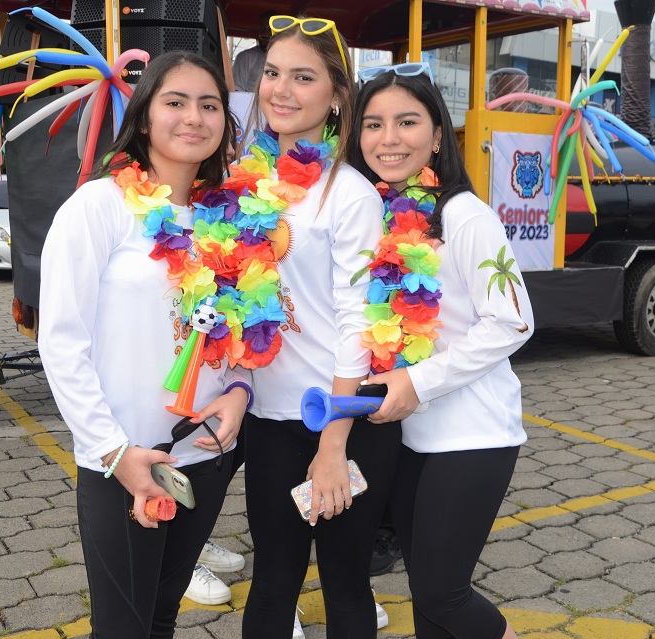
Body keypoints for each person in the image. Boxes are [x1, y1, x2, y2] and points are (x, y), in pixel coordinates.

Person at [39, 51, 273, 638]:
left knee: (163, 617)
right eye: (175, 102)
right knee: (122, 628)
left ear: (226, 121)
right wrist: (114, 454)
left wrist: (242, 390)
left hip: (205, 457)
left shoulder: (228, 219)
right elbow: (61, 341)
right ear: (144, 117)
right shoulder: (99, 207)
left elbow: (240, 328)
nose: (194, 117)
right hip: (124, 461)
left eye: (210, 105)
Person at [347, 63, 535, 639]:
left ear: (436, 134)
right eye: (373, 124)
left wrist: (419, 382)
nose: (389, 138)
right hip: (412, 437)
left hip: (473, 435)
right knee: (428, 602)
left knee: (442, 593)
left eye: (407, 122)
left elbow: (515, 321)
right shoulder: (377, 214)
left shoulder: (463, 215)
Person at [232, 15, 402, 639]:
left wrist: (334, 442)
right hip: (271, 419)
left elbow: (359, 317)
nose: (280, 89)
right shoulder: (249, 185)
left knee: (345, 585)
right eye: (272, 73)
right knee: (272, 582)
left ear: (335, 95)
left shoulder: (349, 194)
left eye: (302, 78)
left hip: (343, 424)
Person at [232, 11, 276, 92]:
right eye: (262, 29)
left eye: (270, 29)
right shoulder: (246, 57)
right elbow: (236, 92)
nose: (265, 33)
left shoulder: (287, 60)